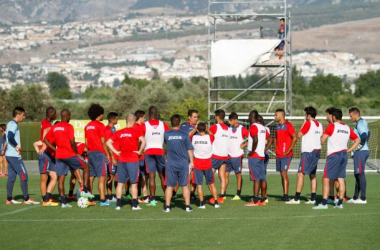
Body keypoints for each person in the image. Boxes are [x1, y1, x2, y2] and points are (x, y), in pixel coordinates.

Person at [44, 109, 94, 208]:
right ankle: (85, 191)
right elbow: (72, 142)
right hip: (69, 154)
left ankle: (63, 202)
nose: (70, 118)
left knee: (61, 179)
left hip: (59, 155)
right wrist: (76, 153)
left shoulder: (55, 127)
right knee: (86, 167)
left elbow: (45, 139)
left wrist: (55, 149)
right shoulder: (69, 126)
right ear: (67, 116)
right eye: (69, 116)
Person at [313, 109, 361, 210]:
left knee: (325, 178)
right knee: (341, 178)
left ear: (333, 117)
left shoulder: (332, 126)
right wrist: (348, 150)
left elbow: (322, 140)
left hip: (334, 155)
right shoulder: (347, 127)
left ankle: (324, 203)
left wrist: (321, 138)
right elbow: (357, 140)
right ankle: (339, 203)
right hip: (343, 155)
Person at [107, 114, 146, 211]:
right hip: (133, 159)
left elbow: (108, 142)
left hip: (122, 158)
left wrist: (116, 152)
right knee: (133, 183)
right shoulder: (136, 131)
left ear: (126, 121)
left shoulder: (119, 132)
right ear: (133, 121)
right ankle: (135, 205)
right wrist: (140, 151)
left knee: (120, 182)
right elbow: (144, 141)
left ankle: (119, 205)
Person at [286, 106, 322, 205]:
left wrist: (304, 122)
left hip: (308, 151)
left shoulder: (308, 123)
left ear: (308, 115)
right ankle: (313, 198)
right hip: (317, 150)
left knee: (300, 173)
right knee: (312, 174)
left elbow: (299, 135)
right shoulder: (320, 125)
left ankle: (296, 198)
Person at [5, 107, 40, 205]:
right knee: (24, 175)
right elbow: (10, 136)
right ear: (18, 115)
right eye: (23, 115)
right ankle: (26, 198)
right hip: (14, 156)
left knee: (11, 177)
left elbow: (6, 137)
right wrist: (16, 146)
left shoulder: (10, 124)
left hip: (9, 154)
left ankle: (9, 199)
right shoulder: (13, 124)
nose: (24, 117)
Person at [163, 114, 194, 213]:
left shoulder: (166, 134)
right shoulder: (185, 134)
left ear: (171, 123)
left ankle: (167, 206)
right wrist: (192, 162)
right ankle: (188, 206)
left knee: (169, 186)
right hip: (183, 163)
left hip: (171, 163)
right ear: (180, 123)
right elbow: (189, 149)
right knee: (185, 185)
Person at [141, 106, 170, 207]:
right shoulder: (163, 125)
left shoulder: (144, 125)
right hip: (160, 152)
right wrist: (166, 151)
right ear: (157, 114)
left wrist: (140, 151)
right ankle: (167, 196)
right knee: (162, 176)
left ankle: (152, 199)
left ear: (149, 114)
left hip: (148, 152)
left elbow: (140, 140)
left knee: (152, 176)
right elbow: (168, 140)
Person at [85, 104, 112, 206]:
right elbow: (103, 142)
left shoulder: (87, 126)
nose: (103, 116)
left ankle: (90, 199)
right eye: (102, 114)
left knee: (91, 177)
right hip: (100, 154)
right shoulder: (100, 126)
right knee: (102, 176)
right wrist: (107, 154)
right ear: (99, 114)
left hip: (91, 153)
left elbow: (86, 143)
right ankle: (103, 200)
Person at [245, 110, 272, 207]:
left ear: (252, 116)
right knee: (261, 178)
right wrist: (264, 149)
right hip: (261, 155)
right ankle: (263, 199)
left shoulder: (253, 126)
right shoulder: (262, 127)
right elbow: (270, 139)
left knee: (256, 178)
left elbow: (255, 139)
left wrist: (252, 151)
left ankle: (255, 200)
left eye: (249, 116)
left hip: (255, 156)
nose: (248, 118)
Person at [191, 122, 219, 209]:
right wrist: (207, 129)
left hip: (198, 163)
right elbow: (212, 134)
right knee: (212, 184)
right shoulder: (209, 137)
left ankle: (202, 204)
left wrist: (194, 129)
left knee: (199, 184)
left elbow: (188, 135)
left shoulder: (194, 137)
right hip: (207, 162)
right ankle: (216, 202)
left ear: (198, 129)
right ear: (205, 128)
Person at [347, 107, 370, 204]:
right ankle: (355, 197)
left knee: (360, 174)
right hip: (362, 151)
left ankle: (363, 198)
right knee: (357, 174)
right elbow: (368, 134)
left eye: (351, 116)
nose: (350, 118)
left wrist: (359, 147)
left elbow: (364, 135)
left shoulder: (360, 124)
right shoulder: (363, 122)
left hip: (360, 152)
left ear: (356, 114)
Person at [36, 107, 58, 204]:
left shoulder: (47, 122)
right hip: (45, 154)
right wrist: (44, 146)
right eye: (55, 113)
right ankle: (45, 199)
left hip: (49, 154)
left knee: (54, 176)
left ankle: (47, 197)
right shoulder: (46, 122)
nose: (56, 115)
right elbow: (45, 135)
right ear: (51, 113)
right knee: (44, 177)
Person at [274, 109, 297, 201]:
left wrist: (289, 149)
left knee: (284, 173)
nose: (274, 117)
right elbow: (275, 138)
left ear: (281, 115)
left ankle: (286, 195)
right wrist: (275, 148)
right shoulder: (278, 126)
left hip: (286, 155)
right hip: (279, 154)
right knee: (282, 174)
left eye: (276, 115)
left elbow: (294, 137)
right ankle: (284, 194)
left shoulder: (288, 125)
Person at [226, 112, 248, 201]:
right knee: (225, 175)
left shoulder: (242, 129)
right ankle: (223, 193)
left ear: (235, 120)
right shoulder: (228, 129)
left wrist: (245, 144)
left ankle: (238, 194)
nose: (229, 122)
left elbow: (252, 137)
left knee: (238, 175)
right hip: (228, 155)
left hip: (237, 155)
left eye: (230, 121)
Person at [209, 109, 229, 203]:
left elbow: (209, 138)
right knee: (222, 176)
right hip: (224, 155)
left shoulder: (214, 127)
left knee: (210, 176)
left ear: (217, 117)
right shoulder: (228, 128)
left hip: (215, 155)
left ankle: (214, 197)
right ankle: (222, 196)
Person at [180, 109, 199, 200]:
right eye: (194, 117)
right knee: (182, 174)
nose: (196, 119)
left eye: (197, 117)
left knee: (193, 174)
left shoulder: (199, 126)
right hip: (185, 152)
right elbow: (185, 136)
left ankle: (192, 193)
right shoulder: (184, 126)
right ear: (189, 117)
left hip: (196, 153)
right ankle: (174, 192)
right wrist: (195, 129)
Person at [133, 110, 149, 204]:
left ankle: (139, 195)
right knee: (142, 175)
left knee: (140, 176)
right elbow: (138, 140)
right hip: (139, 156)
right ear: (140, 118)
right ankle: (144, 197)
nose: (145, 119)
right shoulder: (138, 127)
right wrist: (140, 151)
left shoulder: (136, 126)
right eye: (144, 117)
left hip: (137, 155)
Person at [105, 112, 119, 203]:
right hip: (112, 157)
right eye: (117, 118)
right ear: (112, 120)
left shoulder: (113, 129)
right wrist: (112, 157)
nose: (118, 120)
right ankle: (109, 196)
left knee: (117, 177)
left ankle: (116, 195)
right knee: (111, 177)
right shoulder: (107, 130)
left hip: (117, 156)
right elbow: (107, 144)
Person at [257, 115, 271, 202]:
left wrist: (265, 149)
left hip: (261, 154)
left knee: (261, 176)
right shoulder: (265, 129)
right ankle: (261, 196)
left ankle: (263, 196)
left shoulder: (263, 129)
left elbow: (268, 140)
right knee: (261, 175)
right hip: (262, 153)